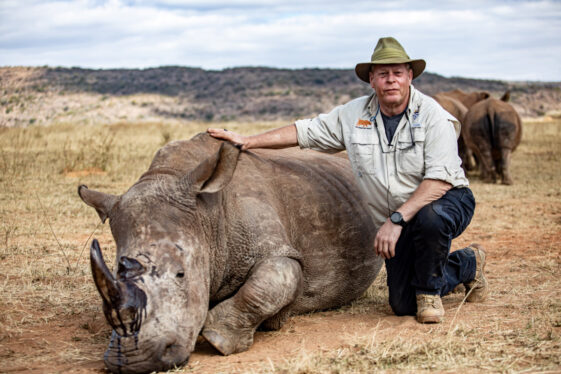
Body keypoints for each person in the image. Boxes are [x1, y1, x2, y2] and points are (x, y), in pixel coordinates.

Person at [207, 36, 488, 323]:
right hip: (400, 215)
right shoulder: (354, 114)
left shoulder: (432, 116)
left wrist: (394, 221)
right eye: (383, 74)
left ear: (409, 76)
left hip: (445, 200)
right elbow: (304, 132)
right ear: (372, 80)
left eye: (397, 73)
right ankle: (467, 264)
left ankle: (430, 294)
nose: (391, 80)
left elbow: (439, 181)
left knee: (431, 219)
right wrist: (249, 141)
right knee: (402, 303)